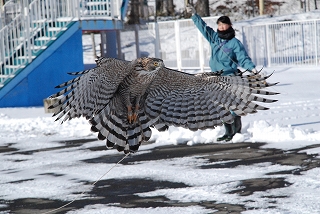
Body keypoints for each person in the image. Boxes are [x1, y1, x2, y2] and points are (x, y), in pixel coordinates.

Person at [186, 5, 258, 142]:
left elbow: (243, 58)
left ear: (230, 25)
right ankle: (227, 132)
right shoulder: (214, 38)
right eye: (219, 25)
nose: (221, 27)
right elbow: (203, 27)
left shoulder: (234, 43)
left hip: (230, 77)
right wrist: (194, 15)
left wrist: (252, 69)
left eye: (224, 25)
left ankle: (236, 133)